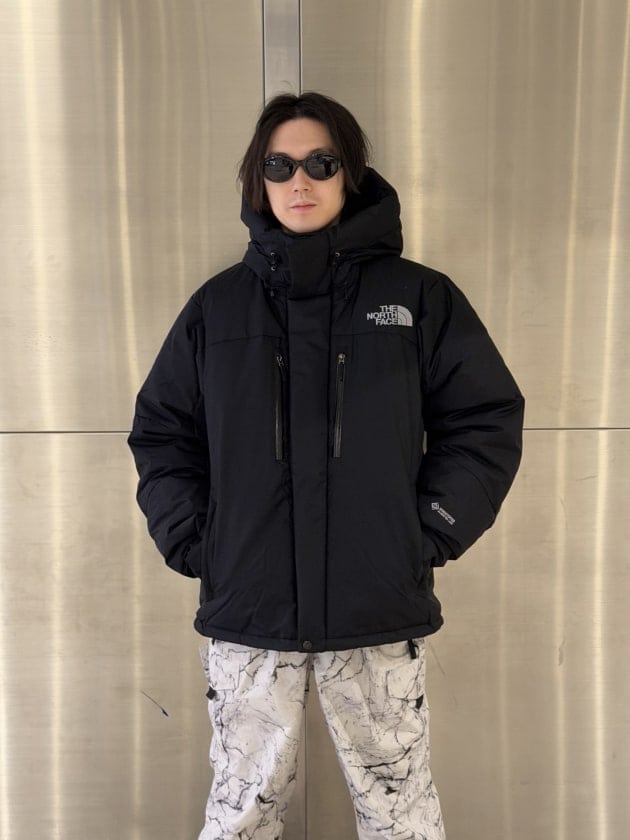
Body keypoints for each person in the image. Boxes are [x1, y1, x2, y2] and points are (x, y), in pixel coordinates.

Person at [128, 92, 524, 840]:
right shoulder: (218, 309)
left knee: (400, 816)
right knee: (242, 814)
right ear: (258, 180)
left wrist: (426, 532)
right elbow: (162, 433)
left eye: (320, 162)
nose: (300, 181)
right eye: (280, 166)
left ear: (350, 174)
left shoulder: (417, 299)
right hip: (249, 613)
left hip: (377, 609)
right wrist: (200, 541)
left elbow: (485, 419)